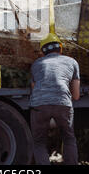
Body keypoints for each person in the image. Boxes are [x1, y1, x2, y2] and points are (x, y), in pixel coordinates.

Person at [29, 32, 80, 165]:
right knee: (69, 139)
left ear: (42, 51)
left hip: (39, 105)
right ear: (60, 48)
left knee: (39, 142)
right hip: (62, 103)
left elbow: (34, 89)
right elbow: (75, 95)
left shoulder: (36, 64)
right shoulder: (72, 62)